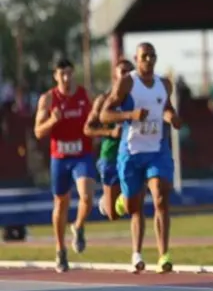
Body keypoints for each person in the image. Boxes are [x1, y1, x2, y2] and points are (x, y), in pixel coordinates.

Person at [99, 42, 181, 274]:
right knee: (133, 206)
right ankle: (124, 204)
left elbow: (166, 107)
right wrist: (130, 114)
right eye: (144, 56)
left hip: (157, 150)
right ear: (136, 59)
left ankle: (164, 255)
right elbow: (105, 114)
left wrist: (172, 117)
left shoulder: (164, 84)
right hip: (131, 152)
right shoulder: (127, 83)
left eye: (152, 56)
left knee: (160, 197)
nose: (148, 60)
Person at [33, 58, 97, 273]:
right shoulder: (48, 99)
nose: (66, 78)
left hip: (82, 154)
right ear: (56, 76)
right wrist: (53, 120)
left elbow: (96, 119)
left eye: (69, 73)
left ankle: (78, 226)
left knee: (87, 196)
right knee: (61, 203)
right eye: (62, 74)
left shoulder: (85, 95)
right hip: (60, 157)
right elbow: (38, 131)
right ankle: (60, 250)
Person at [83, 58, 135, 221]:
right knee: (113, 215)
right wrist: (110, 132)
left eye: (130, 72)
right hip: (111, 155)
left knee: (135, 201)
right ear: (115, 76)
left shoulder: (139, 99)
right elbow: (87, 129)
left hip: (133, 154)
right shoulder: (104, 100)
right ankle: (108, 201)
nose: (127, 75)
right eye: (123, 72)